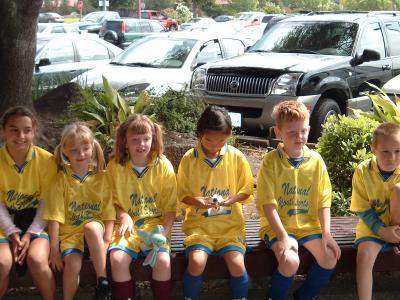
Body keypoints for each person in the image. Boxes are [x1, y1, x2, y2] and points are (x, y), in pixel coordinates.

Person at [256, 101, 341, 300]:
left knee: (330, 258)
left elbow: (323, 199)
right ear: (278, 132)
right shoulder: (271, 162)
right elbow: (268, 204)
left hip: (308, 226)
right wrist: (283, 237)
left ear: (309, 129)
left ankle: (304, 296)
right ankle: (274, 296)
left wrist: (326, 234)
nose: (299, 137)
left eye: (303, 131)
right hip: (278, 228)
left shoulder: (316, 161)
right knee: (290, 260)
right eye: (292, 132)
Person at [177, 105, 254, 300]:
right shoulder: (189, 159)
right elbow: (181, 194)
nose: (214, 145)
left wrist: (233, 199)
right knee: (196, 261)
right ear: (200, 134)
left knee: (237, 264)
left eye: (221, 140)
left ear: (229, 135)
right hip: (199, 227)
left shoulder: (236, 157)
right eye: (209, 140)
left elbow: (247, 190)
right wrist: (197, 201)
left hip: (230, 227)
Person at [107, 114, 177, 300]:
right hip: (125, 226)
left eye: (146, 139)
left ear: (153, 139)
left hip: (155, 226)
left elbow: (171, 208)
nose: (142, 144)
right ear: (124, 141)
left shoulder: (164, 166)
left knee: (162, 261)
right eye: (135, 140)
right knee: (117, 259)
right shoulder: (115, 166)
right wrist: (123, 215)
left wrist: (164, 233)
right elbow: (109, 201)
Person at [42, 122, 115, 300]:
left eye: (85, 148)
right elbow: (54, 217)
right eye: (74, 150)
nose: (81, 154)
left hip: (96, 235)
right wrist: (54, 250)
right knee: (72, 266)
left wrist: (106, 240)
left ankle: (102, 282)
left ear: (93, 147)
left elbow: (108, 213)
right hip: (71, 234)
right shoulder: (60, 180)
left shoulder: (102, 177)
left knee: (91, 227)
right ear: (65, 151)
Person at [0, 106, 57, 300]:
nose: (21, 136)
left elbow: (47, 202)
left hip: (38, 221)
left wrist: (29, 234)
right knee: (2, 263)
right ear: (3, 131)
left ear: (35, 131)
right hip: (4, 223)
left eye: (27, 130)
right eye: (13, 130)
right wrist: (12, 231)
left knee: (37, 259)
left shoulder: (46, 160)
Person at [351, 122, 400, 300]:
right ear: (374, 150)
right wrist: (382, 231)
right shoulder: (363, 171)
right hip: (373, 227)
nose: (392, 158)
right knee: (364, 256)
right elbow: (362, 208)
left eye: (398, 151)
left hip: (398, 226)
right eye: (385, 151)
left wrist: (395, 236)